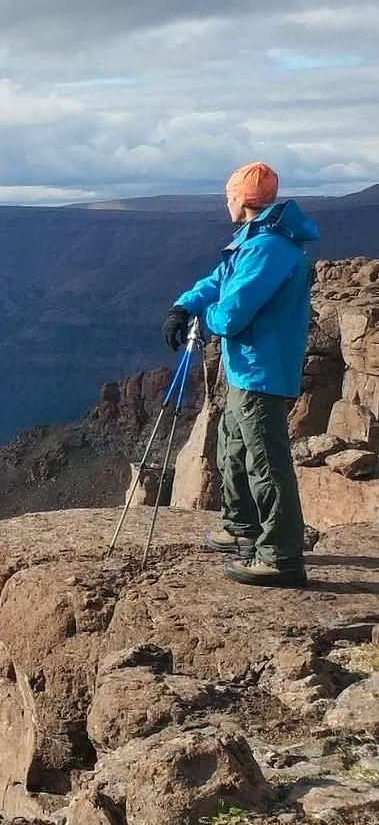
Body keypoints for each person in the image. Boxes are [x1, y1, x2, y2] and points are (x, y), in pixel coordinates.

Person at [163, 162, 319, 586]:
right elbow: (219, 280)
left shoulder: (268, 249)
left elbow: (232, 314)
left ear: (241, 199)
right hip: (245, 368)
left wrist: (202, 320)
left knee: (265, 462)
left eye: (229, 195)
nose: (226, 202)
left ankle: (281, 554)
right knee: (233, 447)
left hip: (262, 371)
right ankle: (241, 527)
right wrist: (185, 305)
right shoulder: (254, 242)